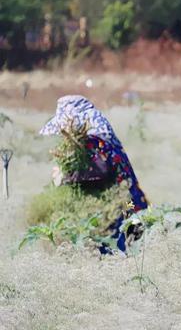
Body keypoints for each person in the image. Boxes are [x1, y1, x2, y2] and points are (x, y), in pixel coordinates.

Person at [40, 95, 148, 251]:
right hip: (126, 199)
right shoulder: (100, 136)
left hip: (125, 200)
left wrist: (63, 177)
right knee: (126, 243)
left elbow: (97, 171)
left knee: (125, 245)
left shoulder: (95, 142)